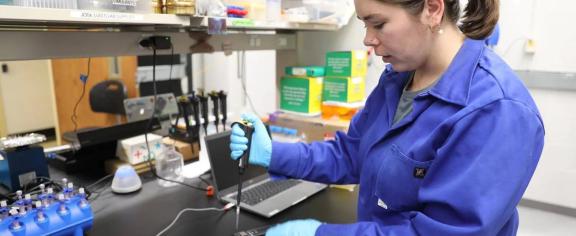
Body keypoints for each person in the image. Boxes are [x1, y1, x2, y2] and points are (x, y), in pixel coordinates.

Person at [230, 0, 545, 235]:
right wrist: (274, 152)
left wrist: (321, 233)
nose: (368, 39)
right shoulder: (399, 78)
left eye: (378, 24)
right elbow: (352, 153)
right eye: (364, 23)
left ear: (433, 10)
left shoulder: (496, 110)